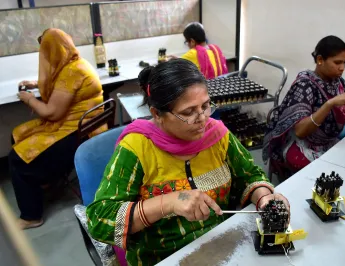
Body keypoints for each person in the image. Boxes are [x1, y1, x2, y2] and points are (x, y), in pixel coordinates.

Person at [86, 59, 290, 265]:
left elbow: (250, 175)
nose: (202, 118)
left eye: (206, 106)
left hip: (222, 248)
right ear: (157, 114)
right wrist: (168, 202)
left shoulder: (217, 135)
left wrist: (265, 199)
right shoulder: (137, 148)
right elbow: (100, 220)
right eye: (188, 112)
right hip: (161, 257)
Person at [262, 35, 345, 180]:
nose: (342, 68)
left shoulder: (336, 81)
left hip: (326, 141)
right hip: (302, 144)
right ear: (320, 60)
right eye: (337, 62)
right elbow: (300, 131)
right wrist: (329, 104)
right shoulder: (304, 84)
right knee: (331, 174)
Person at [9, 28, 106, 229]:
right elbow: (62, 85)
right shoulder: (74, 64)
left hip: (77, 135)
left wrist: (29, 99)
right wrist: (35, 84)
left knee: (17, 158)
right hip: (83, 127)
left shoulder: (73, 71)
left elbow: (51, 113)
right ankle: (45, 180)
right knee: (17, 134)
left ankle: (31, 216)